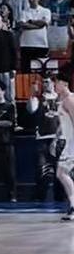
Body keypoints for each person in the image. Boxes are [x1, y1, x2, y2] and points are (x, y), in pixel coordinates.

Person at [27, 75, 60, 201]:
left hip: (58, 138)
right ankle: (40, 197)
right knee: (42, 169)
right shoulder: (38, 99)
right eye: (44, 82)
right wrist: (32, 94)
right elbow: (31, 110)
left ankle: (59, 197)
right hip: (42, 138)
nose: (46, 84)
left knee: (59, 169)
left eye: (48, 82)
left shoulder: (61, 98)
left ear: (54, 83)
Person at [54, 68, 74, 221]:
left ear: (64, 84)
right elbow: (64, 123)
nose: (55, 85)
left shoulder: (69, 100)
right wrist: (57, 137)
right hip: (68, 141)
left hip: (72, 144)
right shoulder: (63, 100)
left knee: (62, 173)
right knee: (62, 173)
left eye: (56, 83)